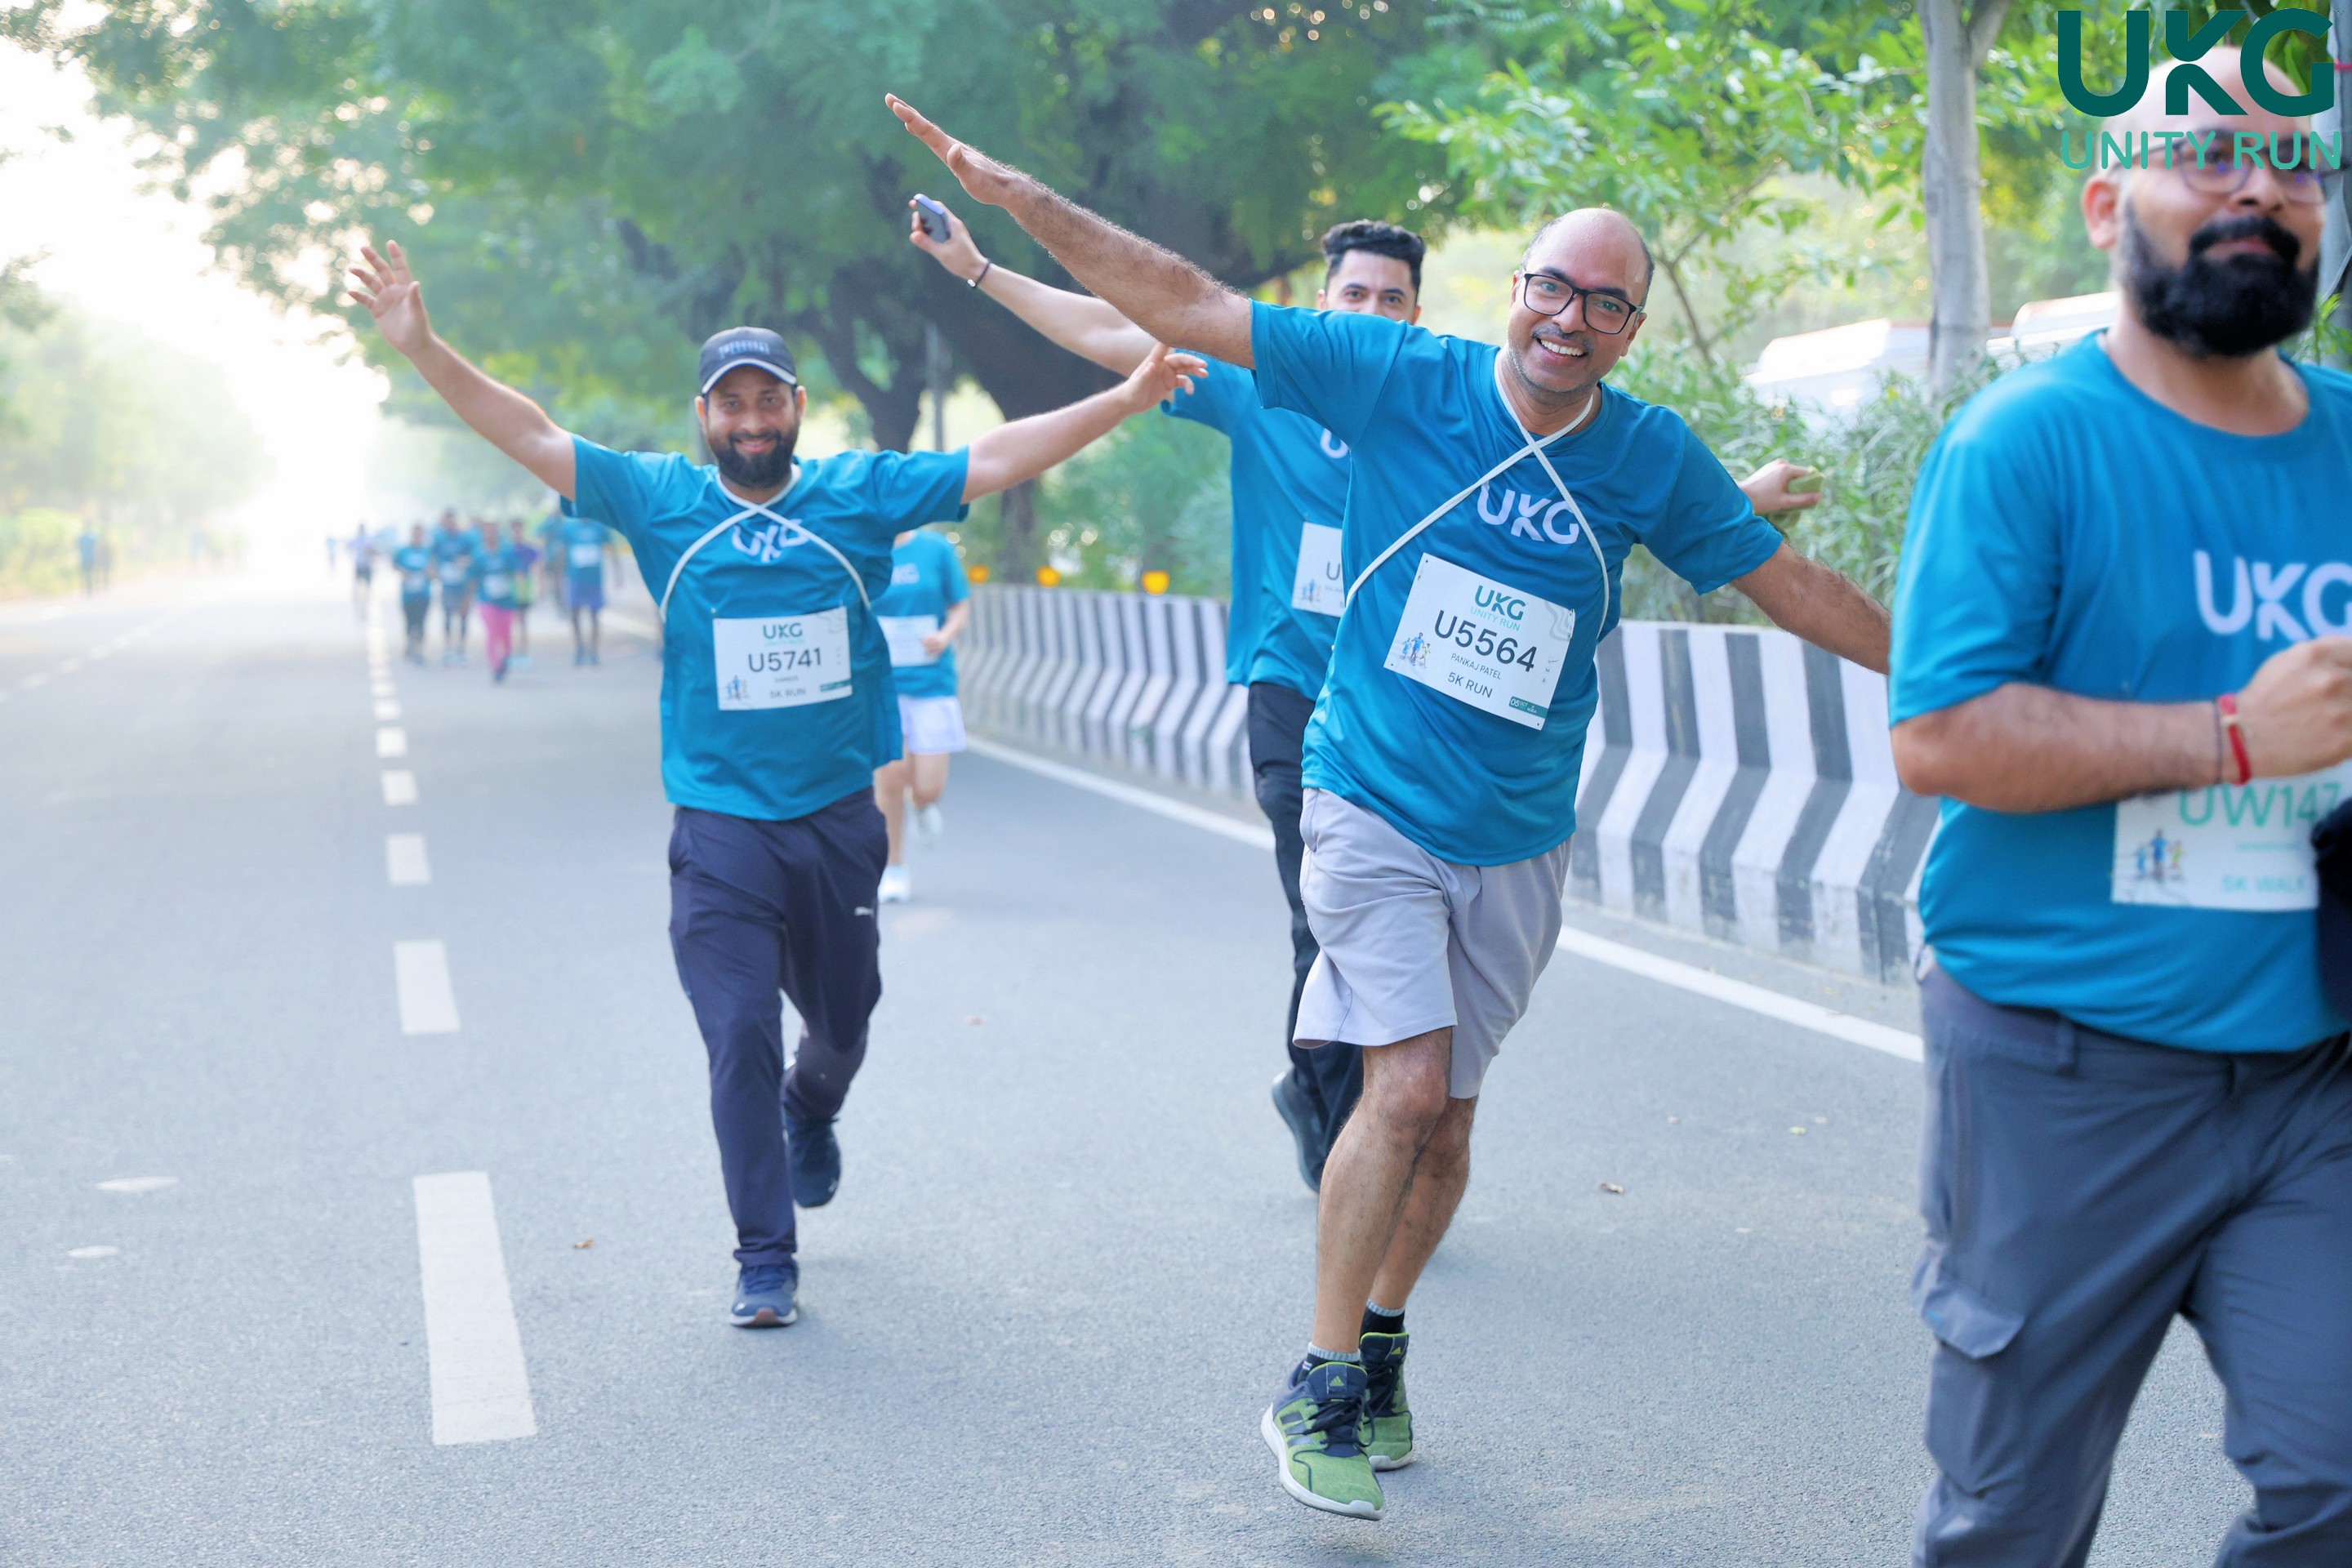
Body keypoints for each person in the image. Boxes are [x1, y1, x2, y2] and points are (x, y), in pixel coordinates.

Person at [891, 94, 1891, 1521]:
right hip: (1362, 785)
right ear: (1517, 290)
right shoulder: (1390, 372)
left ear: (1629, 330)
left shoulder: (1650, 457)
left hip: (1519, 830)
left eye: (1605, 304)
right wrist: (1015, 209)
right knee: (1404, 1085)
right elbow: (1173, 304)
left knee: (1452, 1125)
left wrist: (1956, 678)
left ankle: (1380, 1338)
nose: (1569, 318)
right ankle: (1318, 1379)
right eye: (1553, 287)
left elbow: (1785, 585)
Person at [349, 237, 1203, 1331]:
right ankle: (764, 1255)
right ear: (703, 416)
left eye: (767, 401)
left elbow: (994, 457)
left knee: (841, 1026)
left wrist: (1125, 398)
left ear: (797, 407)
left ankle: (815, 1105)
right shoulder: (658, 500)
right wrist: (424, 350)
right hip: (721, 829)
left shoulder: (859, 495)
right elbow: (531, 432)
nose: (749, 421)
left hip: (839, 820)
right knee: (738, 1032)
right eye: (730, 405)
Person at [909, 203, 1824, 1193]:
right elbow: (1116, 326)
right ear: (1322, 303)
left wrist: (1737, 499)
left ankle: (1354, 1116)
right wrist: (982, 272)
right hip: (1298, 690)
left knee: (1379, 955)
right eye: (1355, 295)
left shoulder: (1430, 401)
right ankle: (1343, 1119)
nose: (1373, 313)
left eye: (1393, 300)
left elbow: (1586, 497)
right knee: (1324, 926)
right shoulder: (1261, 388)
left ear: (1415, 314)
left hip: (1411, 708)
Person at [1888, 50, 2352, 1566]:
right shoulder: (2024, 441)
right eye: (2207, 154)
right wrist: (2235, 736)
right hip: (2063, 1069)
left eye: (2295, 163)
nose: (2258, 189)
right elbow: (1942, 735)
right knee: (2011, 1524)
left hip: (2314, 1075)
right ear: (2108, 207)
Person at [869, 523, 971, 903]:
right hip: (882, 683)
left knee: (928, 786)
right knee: (891, 777)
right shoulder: (864, 545)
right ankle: (894, 866)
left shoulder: (936, 549)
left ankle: (923, 805)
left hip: (931, 684)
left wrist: (945, 636)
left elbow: (959, 604)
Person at [472, 518, 526, 683]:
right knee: (492, 633)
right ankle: (495, 666)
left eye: (492, 530)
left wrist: (521, 590)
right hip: (486, 599)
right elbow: (473, 576)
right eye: (486, 530)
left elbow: (518, 571)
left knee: (505, 635)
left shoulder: (507, 552)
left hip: (506, 600)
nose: (489, 534)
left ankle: (506, 658)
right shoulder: (478, 553)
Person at [562, 510, 613, 666]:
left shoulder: (599, 527)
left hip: (594, 579)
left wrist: (618, 573)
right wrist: (561, 576)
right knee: (574, 614)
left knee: (594, 615)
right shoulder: (569, 528)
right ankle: (579, 647)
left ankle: (594, 650)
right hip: (575, 578)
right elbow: (563, 551)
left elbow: (612, 548)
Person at [431, 510, 477, 663]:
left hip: (462, 584)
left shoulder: (465, 538)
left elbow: (474, 556)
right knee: (447, 616)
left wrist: (465, 561)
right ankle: (448, 649)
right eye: (447, 521)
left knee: (463, 617)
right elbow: (432, 557)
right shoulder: (439, 539)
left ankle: (461, 649)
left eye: (452, 520)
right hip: (447, 584)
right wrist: (436, 572)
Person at [392, 523, 435, 662]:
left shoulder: (427, 551)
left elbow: (434, 568)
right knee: (410, 622)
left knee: (421, 622)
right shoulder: (403, 551)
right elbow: (395, 564)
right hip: (408, 594)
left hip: (423, 593)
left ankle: (419, 649)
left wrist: (431, 572)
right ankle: (409, 644)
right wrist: (402, 571)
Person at [350, 524, 377, 613]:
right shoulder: (360, 540)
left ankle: (365, 601)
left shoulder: (366, 540)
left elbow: (374, 551)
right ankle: (360, 600)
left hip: (365, 565)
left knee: (366, 585)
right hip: (361, 565)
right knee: (359, 585)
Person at [76, 524, 100, 596]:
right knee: (92, 574)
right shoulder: (92, 537)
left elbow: (78, 547)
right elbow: (96, 548)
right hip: (91, 558)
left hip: (83, 558)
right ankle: (92, 589)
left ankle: (84, 589)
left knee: (84, 574)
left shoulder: (81, 538)